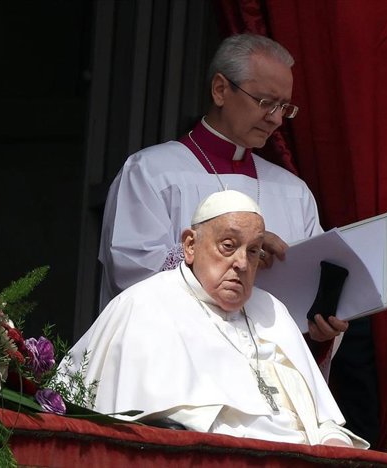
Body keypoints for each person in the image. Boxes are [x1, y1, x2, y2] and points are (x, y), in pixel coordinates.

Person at [61, 191, 368, 448]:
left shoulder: (272, 310)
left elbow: (320, 419)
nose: (241, 263)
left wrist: (332, 441)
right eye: (228, 246)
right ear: (190, 245)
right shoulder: (145, 305)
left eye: (253, 252)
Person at [98, 33, 346, 344]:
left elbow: (309, 292)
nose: (277, 120)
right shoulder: (152, 172)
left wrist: (320, 328)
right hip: (181, 360)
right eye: (266, 102)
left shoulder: (293, 192)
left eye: (285, 107)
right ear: (220, 90)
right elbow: (133, 275)